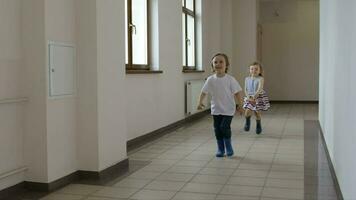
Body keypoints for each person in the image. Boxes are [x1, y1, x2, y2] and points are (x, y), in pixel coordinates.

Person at [197, 53, 244, 157]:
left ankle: (228, 147)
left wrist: (240, 105)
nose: (218, 64)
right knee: (217, 129)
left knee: (224, 127)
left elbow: (237, 93)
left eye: (221, 62)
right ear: (212, 65)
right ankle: (220, 149)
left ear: (226, 65)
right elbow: (203, 92)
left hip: (228, 109)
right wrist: (200, 102)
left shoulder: (230, 79)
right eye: (215, 62)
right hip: (216, 109)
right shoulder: (210, 79)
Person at [243, 62, 270, 134]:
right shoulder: (247, 79)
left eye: (256, 69)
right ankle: (247, 122)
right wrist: (248, 96)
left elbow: (260, 89)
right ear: (249, 70)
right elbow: (245, 89)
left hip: (258, 97)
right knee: (247, 111)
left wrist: (254, 96)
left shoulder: (260, 79)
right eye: (252, 69)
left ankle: (258, 124)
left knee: (257, 112)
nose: (254, 71)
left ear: (260, 71)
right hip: (249, 97)